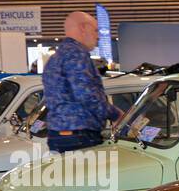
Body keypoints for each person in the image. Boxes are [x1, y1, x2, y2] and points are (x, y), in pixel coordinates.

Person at [43, 11, 122, 153]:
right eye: (95, 30)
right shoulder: (77, 54)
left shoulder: (55, 58)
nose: (97, 36)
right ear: (83, 28)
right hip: (80, 136)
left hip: (57, 135)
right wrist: (116, 115)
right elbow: (86, 95)